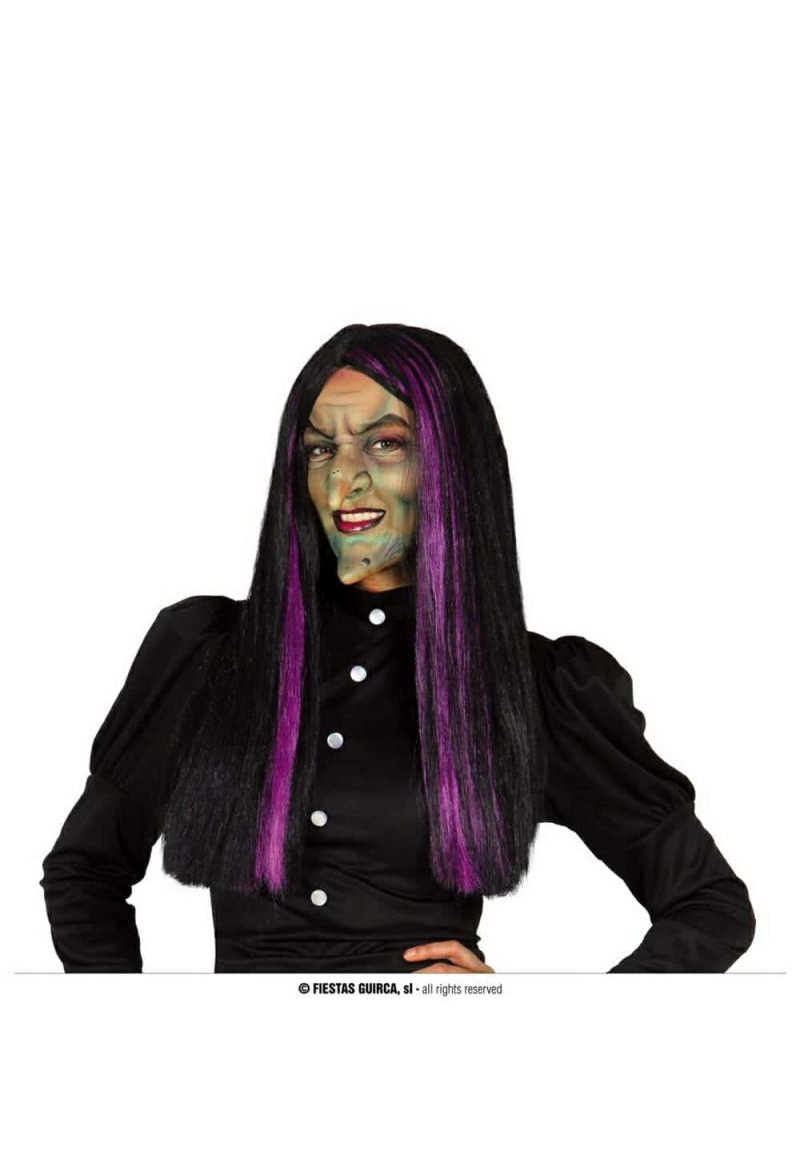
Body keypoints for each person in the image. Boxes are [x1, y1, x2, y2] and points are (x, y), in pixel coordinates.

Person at [39, 322, 756, 973]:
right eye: (320, 448)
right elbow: (85, 871)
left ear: (451, 464)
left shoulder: (529, 689)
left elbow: (709, 905)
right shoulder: (207, 656)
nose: (342, 478)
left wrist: (551, 1024)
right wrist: (132, 1032)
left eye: (385, 444)